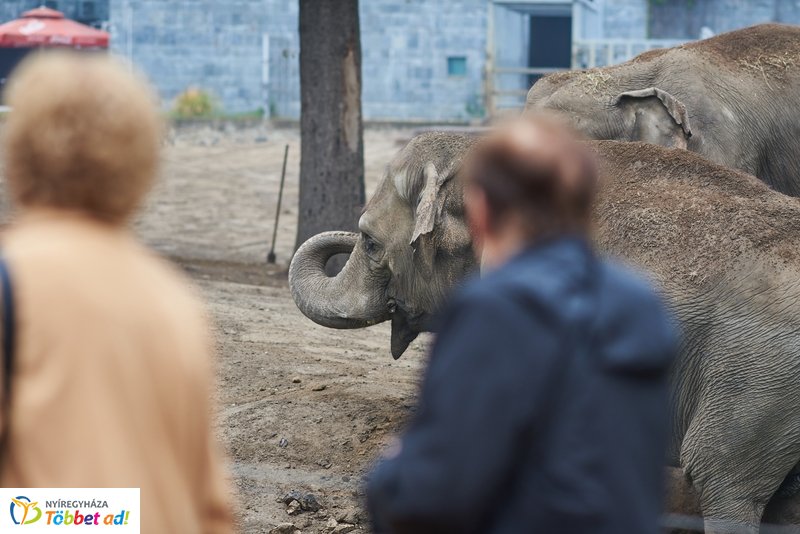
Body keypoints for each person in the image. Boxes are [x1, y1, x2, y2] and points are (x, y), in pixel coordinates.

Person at [366, 115, 679, 533]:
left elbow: (434, 494)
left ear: (479, 213)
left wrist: (389, 474)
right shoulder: (640, 302)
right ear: (585, 204)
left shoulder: (496, 310)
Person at [0, 52, 234, 533]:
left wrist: (78, 515)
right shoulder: (175, 301)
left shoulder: (14, 275)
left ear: (18, 151)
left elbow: (69, 514)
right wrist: (119, 513)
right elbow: (211, 505)